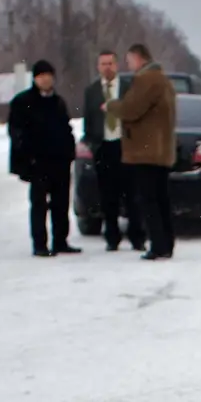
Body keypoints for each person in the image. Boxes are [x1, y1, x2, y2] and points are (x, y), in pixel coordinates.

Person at [108, 43, 177, 261]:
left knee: (149, 199)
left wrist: (112, 106)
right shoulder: (164, 80)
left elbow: (131, 109)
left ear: (139, 58)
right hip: (161, 150)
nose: (128, 65)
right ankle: (166, 243)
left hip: (146, 151)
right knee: (161, 198)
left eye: (129, 60)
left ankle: (157, 245)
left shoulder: (146, 80)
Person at [6, 60, 80, 257]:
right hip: (38, 162)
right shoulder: (23, 102)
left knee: (61, 203)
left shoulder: (58, 101)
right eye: (41, 76)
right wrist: (27, 157)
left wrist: (70, 151)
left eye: (48, 76)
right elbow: (16, 132)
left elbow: (65, 127)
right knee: (39, 204)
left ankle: (60, 241)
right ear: (35, 79)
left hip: (60, 161)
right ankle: (40, 243)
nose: (46, 80)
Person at [82, 50, 147, 252]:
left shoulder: (129, 88)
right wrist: (92, 144)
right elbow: (88, 121)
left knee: (132, 194)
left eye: (110, 63)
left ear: (117, 65)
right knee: (107, 195)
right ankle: (112, 237)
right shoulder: (92, 91)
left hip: (125, 146)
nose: (107, 67)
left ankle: (137, 237)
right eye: (103, 64)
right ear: (98, 67)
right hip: (103, 148)